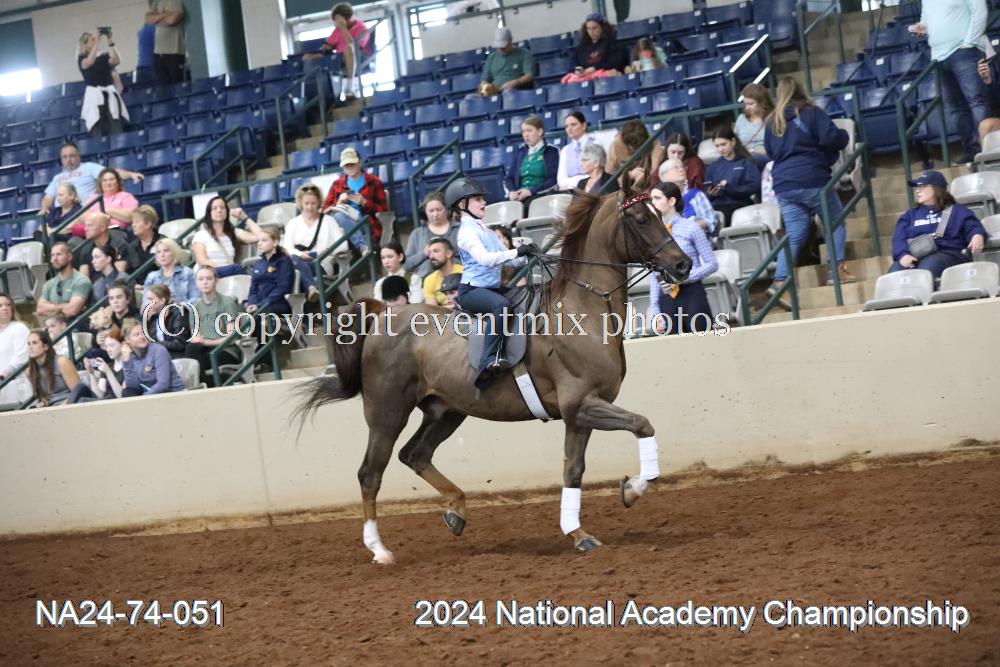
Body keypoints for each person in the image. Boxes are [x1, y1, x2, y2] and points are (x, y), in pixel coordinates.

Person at [765, 76, 857, 305]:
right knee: (835, 223)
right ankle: (836, 270)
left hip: (783, 183)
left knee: (795, 233)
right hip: (811, 177)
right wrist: (844, 136)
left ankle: (779, 282)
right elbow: (831, 138)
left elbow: (770, 152)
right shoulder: (811, 112)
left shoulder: (772, 120)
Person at [448, 177, 536, 389]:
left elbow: (509, 260)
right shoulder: (466, 233)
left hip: (492, 288)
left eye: (482, 199)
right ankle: (487, 361)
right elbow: (486, 260)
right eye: (478, 199)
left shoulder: (486, 231)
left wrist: (528, 256)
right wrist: (516, 251)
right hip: (471, 291)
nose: (484, 203)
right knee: (502, 306)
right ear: (462, 205)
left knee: (524, 295)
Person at [911, 0, 989, 162]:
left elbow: (980, 12)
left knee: (976, 101)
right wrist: (921, 28)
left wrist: (969, 42)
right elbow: (926, 21)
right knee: (956, 108)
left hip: (965, 52)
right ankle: (972, 151)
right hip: (939, 57)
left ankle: (987, 149)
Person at [648, 183, 718, 335]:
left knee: (702, 341)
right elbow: (655, 273)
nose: (652, 203)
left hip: (692, 293)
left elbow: (712, 263)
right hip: (667, 295)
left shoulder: (691, 227)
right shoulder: (653, 234)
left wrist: (683, 278)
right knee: (672, 345)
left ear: (671, 201)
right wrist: (655, 309)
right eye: (651, 199)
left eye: (657, 198)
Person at [889, 170, 987, 279]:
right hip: (916, 255)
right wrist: (903, 255)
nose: (917, 191)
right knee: (895, 272)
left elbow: (973, 226)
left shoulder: (957, 210)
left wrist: (977, 235)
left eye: (922, 187)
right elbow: (898, 238)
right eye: (917, 188)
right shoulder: (910, 215)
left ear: (936, 188)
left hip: (949, 252)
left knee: (928, 267)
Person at [38, 142, 143, 218]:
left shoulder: (89, 167)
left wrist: (130, 174)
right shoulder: (57, 177)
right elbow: (48, 198)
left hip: (84, 213)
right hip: (61, 215)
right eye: (65, 157)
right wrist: (44, 208)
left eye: (71, 156)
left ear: (78, 156)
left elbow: (109, 173)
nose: (68, 160)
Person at [282, 184, 344, 303]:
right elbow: (286, 248)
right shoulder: (293, 223)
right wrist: (301, 255)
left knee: (294, 268)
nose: (310, 207)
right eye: (306, 204)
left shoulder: (329, 221)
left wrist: (320, 252)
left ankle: (307, 296)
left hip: (321, 263)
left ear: (319, 202)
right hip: (298, 261)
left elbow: (343, 245)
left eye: (313, 203)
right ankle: (311, 288)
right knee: (294, 261)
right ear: (300, 204)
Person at [321, 148, 388, 252]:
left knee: (340, 218)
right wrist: (338, 203)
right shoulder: (337, 184)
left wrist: (365, 203)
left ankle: (363, 246)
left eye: (352, 163)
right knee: (339, 216)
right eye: (346, 165)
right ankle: (363, 246)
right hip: (342, 226)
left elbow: (383, 211)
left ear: (360, 162)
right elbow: (324, 211)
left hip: (367, 223)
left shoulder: (374, 181)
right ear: (343, 167)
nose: (350, 167)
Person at [185, 266, 242, 386]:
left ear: (216, 281)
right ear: (196, 283)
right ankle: (207, 383)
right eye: (201, 279)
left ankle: (204, 384)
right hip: (205, 350)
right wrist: (200, 342)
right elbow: (195, 337)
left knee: (194, 364)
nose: (205, 282)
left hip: (226, 350)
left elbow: (232, 337)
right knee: (191, 349)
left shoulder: (227, 302)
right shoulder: (195, 307)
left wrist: (206, 342)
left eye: (209, 278)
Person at [303, 3, 372, 100]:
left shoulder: (361, 27)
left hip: (358, 56)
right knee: (309, 57)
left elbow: (353, 46)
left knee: (348, 48)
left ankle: (350, 86)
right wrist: (325, 47)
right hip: (339, 58)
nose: (336, 24)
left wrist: (343, 28)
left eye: (337, 21)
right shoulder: (337, 30)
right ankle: (323, 96)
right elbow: (329, 45)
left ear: (346, 19)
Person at [191, 196, 262, 278]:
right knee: (237, 269)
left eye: (222, 207)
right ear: (209, 213)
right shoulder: (201, 235)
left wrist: (244, 218)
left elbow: (261, 237)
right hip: (210, 273)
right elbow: (202, 261)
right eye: (215, 208)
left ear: (227, 211)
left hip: (230, 273)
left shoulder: (234, 232)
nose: (219, 210)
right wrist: (219, 269)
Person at [705, 127, 762, 227]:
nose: (720, 149)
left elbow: (754, 186)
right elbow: (706, 190)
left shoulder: (746, 162)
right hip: (717, 207)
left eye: (723, 144)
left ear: (733, 141)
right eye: (717, 146)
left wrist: (730, 188)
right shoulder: (713, 166)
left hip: (740, 206)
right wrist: (711, 193)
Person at [78, 29, 128, 136]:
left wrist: (110, 41)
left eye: (94, 39)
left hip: (109, 94)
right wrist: (97, 43)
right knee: (98, 126)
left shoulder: (104, 57)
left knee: (115, 124)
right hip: (94, 97)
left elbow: (116, 61)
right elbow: (89, 62)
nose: (95, 41)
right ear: (85, 45)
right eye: (92, 40)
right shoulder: (82, 58)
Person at [121, 319, 186, 396]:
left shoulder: (158, 350)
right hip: (152, 397)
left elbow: (163, 384)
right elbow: (133, 387)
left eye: (143, 333)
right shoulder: (130, 356)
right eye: (136, 334)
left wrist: (143, 398)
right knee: (127, 392)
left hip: (174, 394)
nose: (142, 337)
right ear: (127, 339)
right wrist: (126, 362)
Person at [404, 192, 460, 279]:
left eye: (439, 210)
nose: (435, 214)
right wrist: (424, 253)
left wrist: (446, 254)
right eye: (431, 211)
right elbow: (407, 265)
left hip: (457, 278)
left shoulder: (459, 229)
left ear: (446, 209)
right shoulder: (417, 234)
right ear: (425, 212)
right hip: (425, 280)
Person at [505, 116, 560, 203]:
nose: (526, 135)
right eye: (523, 131)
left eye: (529, 130)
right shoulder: (520, 152)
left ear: (540, 132)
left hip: (541, 196)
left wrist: (530, 191)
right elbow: (509, 178)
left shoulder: (552, 151)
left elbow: (553, 179)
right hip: (519, 198)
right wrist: (512, 192)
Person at [562, 13, 627, 84]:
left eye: (594, 28)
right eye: (588, 28)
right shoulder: (581, 47)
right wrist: (578, 71)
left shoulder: (612, 43)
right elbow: (574, 64)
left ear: (603, 27)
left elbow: (615, 62)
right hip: (585, 77)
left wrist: (594, 68)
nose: (591, 32)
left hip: (603, 76)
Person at [658, 158, 716, 235]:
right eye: (676, 167)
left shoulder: (697, 195)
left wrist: (686, 228)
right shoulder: (660, 201)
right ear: (665, 176)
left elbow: (711, 220)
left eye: (682, 167)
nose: (681, 169)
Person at [36, 243, 91, 320]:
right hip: (54, 326)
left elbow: (72, 310)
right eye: (52, 255)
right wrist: (65, 306)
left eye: (59, 254)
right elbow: (40, 309)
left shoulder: (81, 281)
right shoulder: (49, 284)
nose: (55, 259)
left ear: (69, 257)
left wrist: (50, 307)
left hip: (75, 325)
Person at [27, 329, 81, 407]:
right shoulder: (30, 370)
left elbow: (78, 391)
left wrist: (61, 407)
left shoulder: (62, 362)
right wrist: (43, 403)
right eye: (28, 344)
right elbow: (44, 397)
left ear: (45, 346)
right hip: (51, 408)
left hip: (70, 405)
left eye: (34, 343)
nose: (30, 347)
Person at [247, 228, 295, 316]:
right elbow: (253, 289)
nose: (259, 243)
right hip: (259, 304)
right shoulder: (258, 263)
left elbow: (282, 288)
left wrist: (260, 305)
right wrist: (251, 303)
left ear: (275, 242)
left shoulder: (284, 261)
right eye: (258, 241)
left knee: (258, 314)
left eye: (264, 240)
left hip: (277, 304)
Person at [77, 168, 139, 236]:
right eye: (105, 180)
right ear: (100, 184)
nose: (108, 183)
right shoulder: (94, 197)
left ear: (118, 182)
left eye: (111, 179)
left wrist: (107, 210)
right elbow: (81, 216)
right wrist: (102, 217)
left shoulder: (126, 196)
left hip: (115, 231)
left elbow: (130, 217)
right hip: (93, 232)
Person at [606, 120, 665, 189]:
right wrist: (630, 175)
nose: (636, 151)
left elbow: (656, 171)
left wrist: (645, 176)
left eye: (639, 147)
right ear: (625, 143)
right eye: (633, 148)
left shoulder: (652, 142)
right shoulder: (615, 145)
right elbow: (609, 176)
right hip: (622, 186)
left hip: (646, 183)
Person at [143, 238, 199, 305]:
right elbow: (145, 303)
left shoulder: (187, 273)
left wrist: (179, 306)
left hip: (182, 310)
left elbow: (196, 299)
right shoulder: (151, 277)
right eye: (158, 252)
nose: (162, 255)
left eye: (166, 251)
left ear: (174, 252)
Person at [78, 324, 126, 401]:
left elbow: (122, 396)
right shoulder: (108, 366)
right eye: (107, 346)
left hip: (118, 404)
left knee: (82, 400)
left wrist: (108, 372)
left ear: (122, 344)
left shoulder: (129, 366)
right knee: (80, 394)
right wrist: (91, 373)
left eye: (112, 345)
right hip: (105, 402)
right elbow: (99, 395)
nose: (108, 349)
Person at [480, 27, 535, 93]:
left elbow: (529, 75)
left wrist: (515, 82)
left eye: (504, 46)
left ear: (510, 41)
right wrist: (486, 88)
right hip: (495, 90)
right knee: (471, 97)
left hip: (516, 89)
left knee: (507, 92)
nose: (501, 48)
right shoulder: (492, 57)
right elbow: (485, 80)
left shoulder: (524, 53)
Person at [0, 293, 32, 405]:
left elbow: (21, 358)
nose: (5, 308)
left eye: (8, 305)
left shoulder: (19, 328)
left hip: (16, 384)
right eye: (0, 305)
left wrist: (3, 376)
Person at [143, 284, 190, 359]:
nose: (147, 303)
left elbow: (180, 343)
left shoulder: (179, 313)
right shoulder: (153, 317)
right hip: (159, 356)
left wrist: (155, 345)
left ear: (162, 300)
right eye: (147, 299)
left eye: (151, 299)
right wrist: (146, 321)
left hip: (176, 356)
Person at [146, 0, 186, 85]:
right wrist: (166, 14)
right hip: (158, 53)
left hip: (174, 52)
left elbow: (171, 20)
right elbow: (148, 19)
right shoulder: (156, 2)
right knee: (163, 89)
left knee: (177, 86)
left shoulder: (176, 2)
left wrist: (156, 20)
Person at [735, 83, 774, 168]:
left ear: (762, 102)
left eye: (751, 104)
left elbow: (776, 146)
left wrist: (752, 151)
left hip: (765, 156)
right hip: (744, 157)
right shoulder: (741, 118)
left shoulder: (773, 118)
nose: (747, 107)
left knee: (751, 159)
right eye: (745, 104)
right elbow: (734, 141)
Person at [557, 111, 597, 191]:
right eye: (566, 126)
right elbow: (561, 179)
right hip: (570, 191)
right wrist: (578, 182)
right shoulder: (565, 150)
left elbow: (597, 173)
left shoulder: (595, 144)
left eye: (573, 125)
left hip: (591, 189)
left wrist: (573, 182)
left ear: (584, 126)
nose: (569, 129)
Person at [127, 205, 164, 285]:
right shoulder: (132, 246)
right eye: (133, 222)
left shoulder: (163, 242)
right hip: (139, 288)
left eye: (137, 222)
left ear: (148, 224)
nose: (133, 225)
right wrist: (134, 285)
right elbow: (129, 272)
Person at [422, 237, 464, 306]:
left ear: (448, 253)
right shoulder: (429, 280)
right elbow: (432, 308)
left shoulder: (465, 273)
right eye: (429, 252)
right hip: (442, 312)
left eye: (436, 251)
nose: (431, 256)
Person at [134, 20, 156, 85]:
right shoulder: (153, 28)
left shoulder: (141, 31)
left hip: (141, 65)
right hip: (150, 66)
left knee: (143, 89)